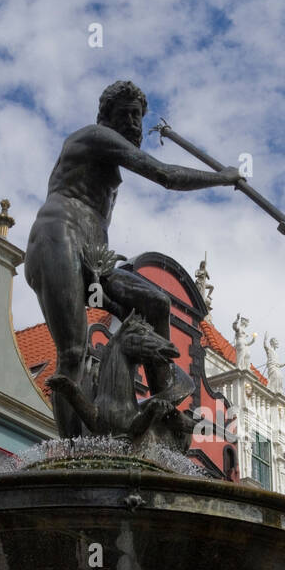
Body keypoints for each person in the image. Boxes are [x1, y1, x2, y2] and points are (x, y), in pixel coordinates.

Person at [25, 80, 241, 437]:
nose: (134, 124)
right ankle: (70, 452)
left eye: (138, 116)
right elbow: (165, 175)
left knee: (154, 303)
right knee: (74, 353)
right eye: (125, 115)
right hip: (56, 238)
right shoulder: (95, 136)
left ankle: (165, 409)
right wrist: (222, 177)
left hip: (94, 257)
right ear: (104, 117)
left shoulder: (106, 155)